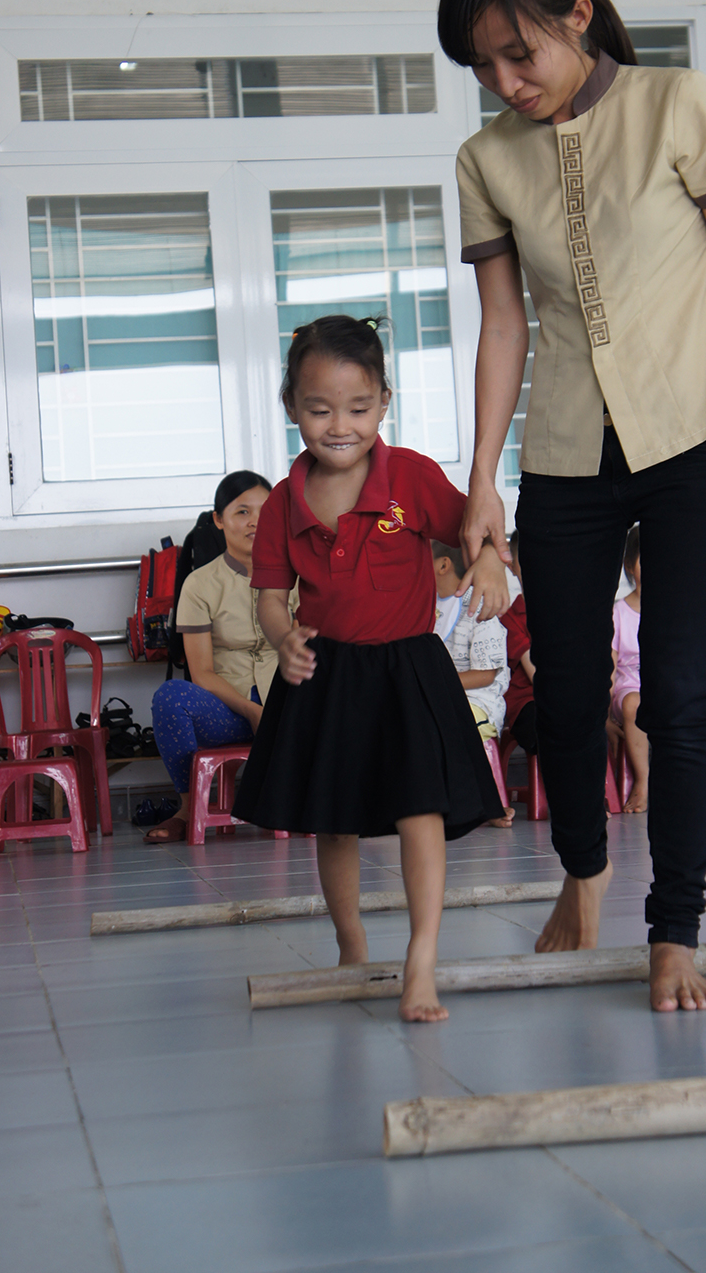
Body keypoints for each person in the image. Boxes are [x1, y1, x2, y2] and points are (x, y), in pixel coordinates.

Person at [438, 0, 706, 1010]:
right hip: (565, 451)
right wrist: (482, 479)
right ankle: (583, 877)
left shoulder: (675, 104)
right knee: (572, 687)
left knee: (682, 693)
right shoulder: (486, 157)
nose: (507, 83)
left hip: (695, 434)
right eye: (484, 66)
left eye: (521, 54)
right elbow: (505, 325)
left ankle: (674, 928)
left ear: (578, 16)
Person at [232, 315, 507, 1023]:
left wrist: (485, 562)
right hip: (326, 676)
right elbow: (269, 599)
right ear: (291, 406)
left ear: (385, 401)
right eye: (319, 409)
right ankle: (351, 943)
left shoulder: (410, 475)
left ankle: (421, 958)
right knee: (336, 819)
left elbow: (471, 530)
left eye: (358, 408)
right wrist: (284, 636)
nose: (339, 425)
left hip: (407, 671)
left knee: (421, 810)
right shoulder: (283, 502)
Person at [144, 470, 280, 844]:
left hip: (289, 703)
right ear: (219, 520)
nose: (255, 521)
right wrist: (252, 711)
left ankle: (332, 799)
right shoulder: (200, 584)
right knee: (170, 697)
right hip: (231, 710)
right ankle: (189, 810)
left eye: (265, 511)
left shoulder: (296, 575)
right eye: (241, 512)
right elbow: (201, 671)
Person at [432, 540, 514, 827]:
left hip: (478, 699)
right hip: (435, 695)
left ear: (443, 565)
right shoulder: (422, 606)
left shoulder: (478, 605)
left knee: (461, 720)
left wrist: (434, 683)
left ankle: (490, 802)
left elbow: (486, 674)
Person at [607, 525, 648, 813]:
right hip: (629, 689)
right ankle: (644, 782)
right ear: (629, 566)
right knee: (635, 703)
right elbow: (607, 670)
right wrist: (605, 713)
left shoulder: (678, 609)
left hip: (668, 688)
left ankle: (704, 784)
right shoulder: (618, 613)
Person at [502, 529, 537, 756]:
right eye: (527, 561)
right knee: (555, 727)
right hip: (528, 703)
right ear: (512, 567)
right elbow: (535, 674)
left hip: (565, 697)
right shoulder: (511, 617)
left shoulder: (567, 613)